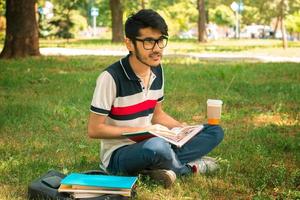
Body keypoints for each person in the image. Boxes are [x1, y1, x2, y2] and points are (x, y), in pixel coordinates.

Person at [87, 9, 224, 188]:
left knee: (214, 131)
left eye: (160, 41)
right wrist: (143, 130)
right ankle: (190, 168)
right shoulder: (110, 78)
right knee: (157, 147)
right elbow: (94, 129)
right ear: (129, 44)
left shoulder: (157, 70)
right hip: (120, 155)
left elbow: (157, 115)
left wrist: (183, 130)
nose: (157, 48)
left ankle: (156, 169)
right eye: (149, 42)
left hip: (155, 141)